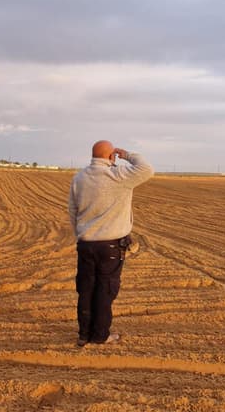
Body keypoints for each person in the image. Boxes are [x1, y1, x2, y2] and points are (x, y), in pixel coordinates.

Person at [68, 140, 154, 346]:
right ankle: (100, 335)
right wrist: (126, 155)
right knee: (105, 290)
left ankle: (84, 334)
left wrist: (80, 234)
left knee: (86, 289)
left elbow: (73, 211)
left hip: (86, 244)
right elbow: (147, 169)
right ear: (111, 156)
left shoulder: (79, 178)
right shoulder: (119, 176)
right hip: (111, 246)